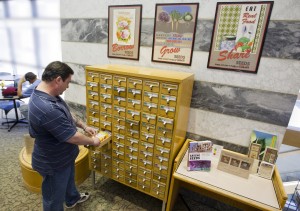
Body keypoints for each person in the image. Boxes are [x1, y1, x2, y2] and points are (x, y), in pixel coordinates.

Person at [28, 61, 100, 211]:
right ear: (58, 80)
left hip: (63, 156)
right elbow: (73, 137)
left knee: (68, 179)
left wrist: (84, 125)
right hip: (53, 162)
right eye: (68, 82)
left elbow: (66, 113)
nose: (68, 86)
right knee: (53, 198)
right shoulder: (46, 108)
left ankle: (72, 198)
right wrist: (93, 141)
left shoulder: (45, 92)